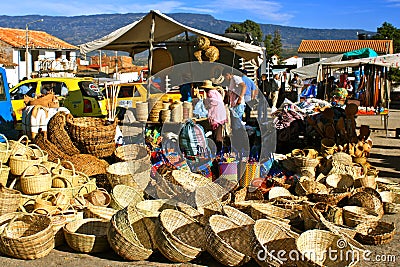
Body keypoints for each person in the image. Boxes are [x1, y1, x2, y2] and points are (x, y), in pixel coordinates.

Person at [201, 80, 227, 152]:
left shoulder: (210, 94)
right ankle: (219, 148)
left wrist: (205, 101)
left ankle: (218, 150)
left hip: (216, 115)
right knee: (218, 132)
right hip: (221, 115)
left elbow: (211, 103)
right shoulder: (216, 93)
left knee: (217, 135)